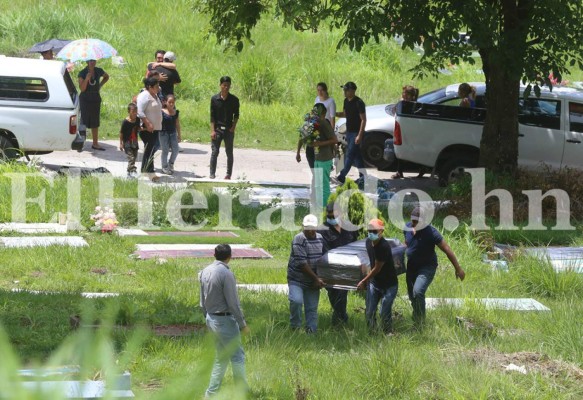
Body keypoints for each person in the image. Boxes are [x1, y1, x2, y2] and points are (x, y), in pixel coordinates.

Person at [199, 244, 250, 397]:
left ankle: (211, 393)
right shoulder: (226, 274)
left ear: (214, 254)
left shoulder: (204, 271)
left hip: (211, 318)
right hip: (224, 320)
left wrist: (207, 317)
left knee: (221, 358)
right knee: (237, 356)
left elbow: (202, 300)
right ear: (230, 256)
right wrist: (242, 325)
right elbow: (233, 303)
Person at [404, 206, 466, 327]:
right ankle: (416, 317)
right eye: (413, 220)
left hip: (427, 267)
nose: (414, 223)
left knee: (418, 292)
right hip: (411, 267)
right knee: (412, 296)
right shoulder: (407, 227)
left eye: (417, 221)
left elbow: (447, 249)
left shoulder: (431, 232)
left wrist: (458, 268)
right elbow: (407, 243)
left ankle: (420, 323)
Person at [318, 202, 357, 326]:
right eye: (329, 217)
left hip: (348, 268)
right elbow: (323, 251)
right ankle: (340, 319)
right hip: (330, 269)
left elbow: (355, 246)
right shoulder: (322, 230)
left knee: (342, 293)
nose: (331, 219)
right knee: (333, 294)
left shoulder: (349, 228)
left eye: (334, 216)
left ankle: (340, 322)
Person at [357, 219, 399, 334]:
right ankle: (372, 333)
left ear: (381, 231)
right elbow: (368, 260)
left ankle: (388, 333)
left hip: (389, 285)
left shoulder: (383, 246)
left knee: (384, 312)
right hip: (375, 283)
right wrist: (365, 276)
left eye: (374, 231)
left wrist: (364, 280)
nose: (371, 233)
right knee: (370, 311)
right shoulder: (368, 242)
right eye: (369, 230)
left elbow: (377, 268)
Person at [287, 214, 327, 333]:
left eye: (312, 228)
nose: (310, 231)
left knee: (311, 308)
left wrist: (321, 278)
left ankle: (311, 332)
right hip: (297, 279)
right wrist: (316, 278)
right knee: (296, 301)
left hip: (313, 280)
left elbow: (324, 258)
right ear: (303, 227)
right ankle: (295, 327)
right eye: (307, 228)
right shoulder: (299, 239)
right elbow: (302, 263)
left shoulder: (320, 238)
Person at [296, 82, 337, 170]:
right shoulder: (311, 123)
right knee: (318, 177)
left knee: (318, 177)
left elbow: (301, 137)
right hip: (315, 154)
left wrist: (298, 152)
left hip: (319, 155)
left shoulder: (321, 123)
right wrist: (298, 152)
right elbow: (302, 136)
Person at [335, 81, 367, 184]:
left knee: (349, 155)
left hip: (356, 133)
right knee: (357, 156)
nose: (344, 91)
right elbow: (345, 114)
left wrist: (360, 135)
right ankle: (364, 177)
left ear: (352, 91)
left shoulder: (359, 102)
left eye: (346, 90)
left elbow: (363, 119)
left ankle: (341, 176)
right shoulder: (345, 101)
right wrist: (334, 114)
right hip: (349, 132)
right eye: (344, 89)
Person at [392, 85, 426, 179]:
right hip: (404, 131)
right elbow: (394, 110)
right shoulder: (404, 103)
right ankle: (399, 172)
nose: (404, 95)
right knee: (402, 152)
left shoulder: (414, 105)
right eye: (403, 93)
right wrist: (400, 103)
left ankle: (422, 169)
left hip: (413, 132)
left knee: (415, 152)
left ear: (411, 95)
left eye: (406, 93)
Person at [210, 76, 240, 180]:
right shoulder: (214, 99)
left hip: (229, 129)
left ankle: (228, 174)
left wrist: (233, 127)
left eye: (228, 85)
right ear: (220, 85)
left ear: (230, 86)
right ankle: (212, 173)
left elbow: (236, 115)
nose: (226, 87)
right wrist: (212, 130)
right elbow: (212, 116)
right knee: (215, 152)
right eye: (224, 85)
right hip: (217, 129)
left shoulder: (234, 100)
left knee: (229, 152)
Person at [78, 59, 109, 151]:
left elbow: (106, 77)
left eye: (94, 60)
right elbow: (82, 89)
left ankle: (95, 143)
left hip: (95, 97)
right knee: (83, 120)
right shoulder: (82, 73)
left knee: (95, 120)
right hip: (85, 98)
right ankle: (80, 143)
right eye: (90, 61)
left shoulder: (98, 70)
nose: (92, 62)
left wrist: (100, 85)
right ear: (87, 61)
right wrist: (87, 79)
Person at [311, 103, 338, 208]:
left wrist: (319, 144)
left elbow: (334, 140)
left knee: (324, 185)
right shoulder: (314, 123)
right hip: (318, 157)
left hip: (325, 158)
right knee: (318, 185)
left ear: (323, 113)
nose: (315, 114)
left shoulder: (324, 123)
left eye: (317, 112)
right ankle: (319, 206)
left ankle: (326, 208)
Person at [136, 77, 163, 182]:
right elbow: (140, 111)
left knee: (151, 149)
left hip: (155, 128)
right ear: (150, 87)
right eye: (156, 86)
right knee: (150, 149)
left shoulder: (155, 95)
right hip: (147, 128)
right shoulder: (144, 96)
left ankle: (145, 170)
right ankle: (150, 172)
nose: (158, 88)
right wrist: (147, 123)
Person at [160, 94, 181, 175]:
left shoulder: (176, 113)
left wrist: (179, 135)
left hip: (173, 133)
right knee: (165, 150)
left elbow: (177, 125)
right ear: (165, 102)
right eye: (169, 102)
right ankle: (164, 167)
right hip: (163, 133)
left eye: (173, 102)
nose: (171, 104)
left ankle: (171, 163)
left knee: (175, 150)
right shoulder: (161, 112)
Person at [119, 103, 140, 179]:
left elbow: (138, 128)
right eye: (133, 111)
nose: (135, 113)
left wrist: (146, 128)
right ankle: (133, 171)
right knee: (131, 157)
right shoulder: (125, 122)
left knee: (134, 157)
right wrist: (121, 143)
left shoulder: (137, 119)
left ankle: (129, 172)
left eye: (136, 111)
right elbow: (121, 133)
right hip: (127, 142)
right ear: (129, 112)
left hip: (134, 142)